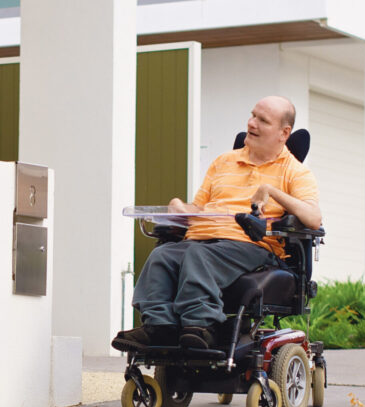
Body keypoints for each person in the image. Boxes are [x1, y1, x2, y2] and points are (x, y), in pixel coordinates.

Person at [112, 96, 322, 351]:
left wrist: (272, 191)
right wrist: (179, 207)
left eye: (262, 120)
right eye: (252, 115)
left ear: (283, 133)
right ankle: (160, 327)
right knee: (162, 256)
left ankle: (202, 326)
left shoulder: (295, 171)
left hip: (250, 244)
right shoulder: (223, 162)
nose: (251, 123)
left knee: (198, 256)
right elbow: (198, 208)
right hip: (202, 237)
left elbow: (313, 217)